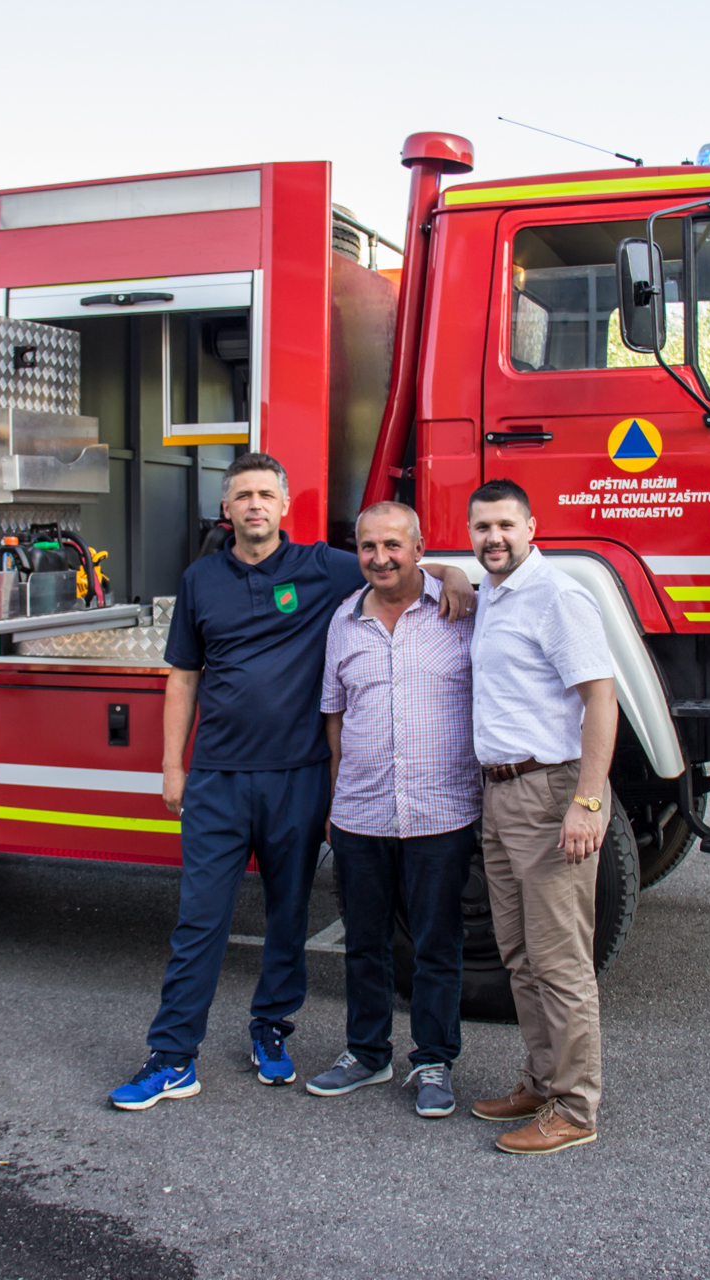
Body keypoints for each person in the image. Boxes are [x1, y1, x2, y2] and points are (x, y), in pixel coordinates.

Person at [109, 454, 475, 1111]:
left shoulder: (321, 567)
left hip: (298, 776)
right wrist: (172, 764)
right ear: (227, 510)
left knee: (286, 917)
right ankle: (171, 1058)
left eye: (266, 494)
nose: (254, 505)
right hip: (218, 777)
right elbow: (184, 677)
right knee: (200, 921)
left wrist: (452, 574)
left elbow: (393, 565)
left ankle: (270, 1031)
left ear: (284, 506)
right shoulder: (200, 580)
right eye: (242, 495)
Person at [305, 500, 480, 1118]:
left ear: (419, 546)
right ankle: (366, 1054)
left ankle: (433, 1060)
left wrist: (457, 577)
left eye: (392, 545)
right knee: (365, 943)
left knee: (437, 943)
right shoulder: (343, 622)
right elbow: (334, 714)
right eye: (368, 547)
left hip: (442, 810)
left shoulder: (461, 611)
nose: (379, 558)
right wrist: (334, 796)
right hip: (361, 811)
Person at [463, 479, 619, 1155]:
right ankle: (540, 1080)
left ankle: (575, 1108)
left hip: (550, 789)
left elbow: (601, 698)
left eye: (504, 525)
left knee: (560, 962)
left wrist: (587, 802)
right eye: (481, 527)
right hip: (501, 795)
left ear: (532, 526)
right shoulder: (494, 594)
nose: (492, 537)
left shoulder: (558, 595)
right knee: (520, 956)